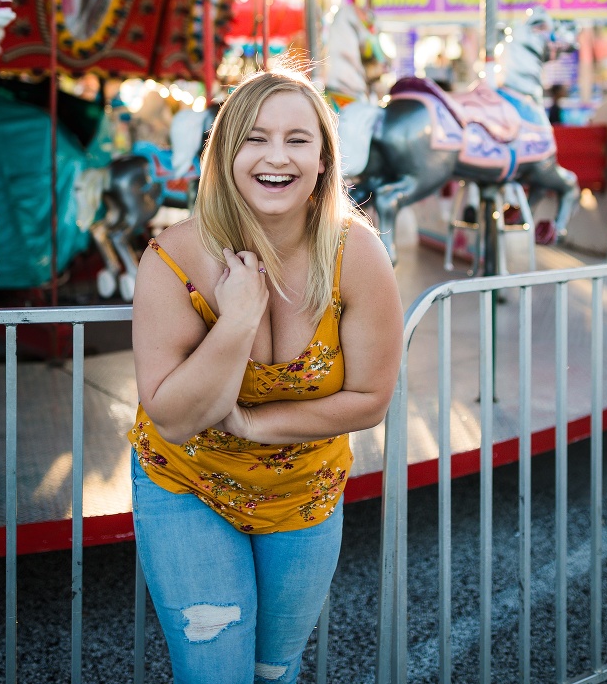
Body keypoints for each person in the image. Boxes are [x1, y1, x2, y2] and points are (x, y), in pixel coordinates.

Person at [129, 66, 403, 684]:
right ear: (225, 153)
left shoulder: (356, 253)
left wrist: (251, 423)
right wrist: (236, 321)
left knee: (272, 671)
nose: (276, 156)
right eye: (254, 137)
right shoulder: (174, 257)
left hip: (304, 495)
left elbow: (369, 399)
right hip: (188, 487)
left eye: (297, 139)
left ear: (324, 159)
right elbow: (172, 416)